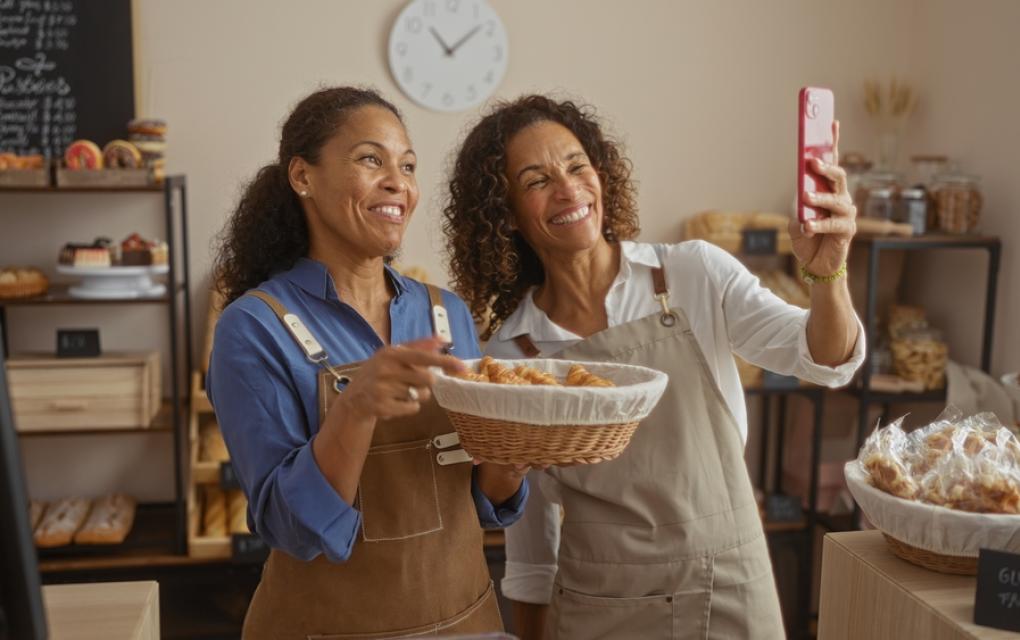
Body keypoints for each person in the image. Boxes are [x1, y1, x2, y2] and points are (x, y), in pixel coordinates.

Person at [442, 94, 865, 639]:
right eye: (536, 181)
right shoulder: (513, 355)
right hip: (599, 604)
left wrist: (829, 275)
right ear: (505, 213)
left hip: (727, 586)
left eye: (576, 166)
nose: (568, 189)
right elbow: (532, 549)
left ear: (601, 172)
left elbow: (826, 360)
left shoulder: (692, 273)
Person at [209, 86, 528, 639]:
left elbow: (479, 500)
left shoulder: (447, 314)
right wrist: (354, 409)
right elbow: (288, 526)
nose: (397, 182)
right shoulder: (253, 326)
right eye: (370, 160)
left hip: (467, 622)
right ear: (303, 177)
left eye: (407, 166)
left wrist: (515, 457)